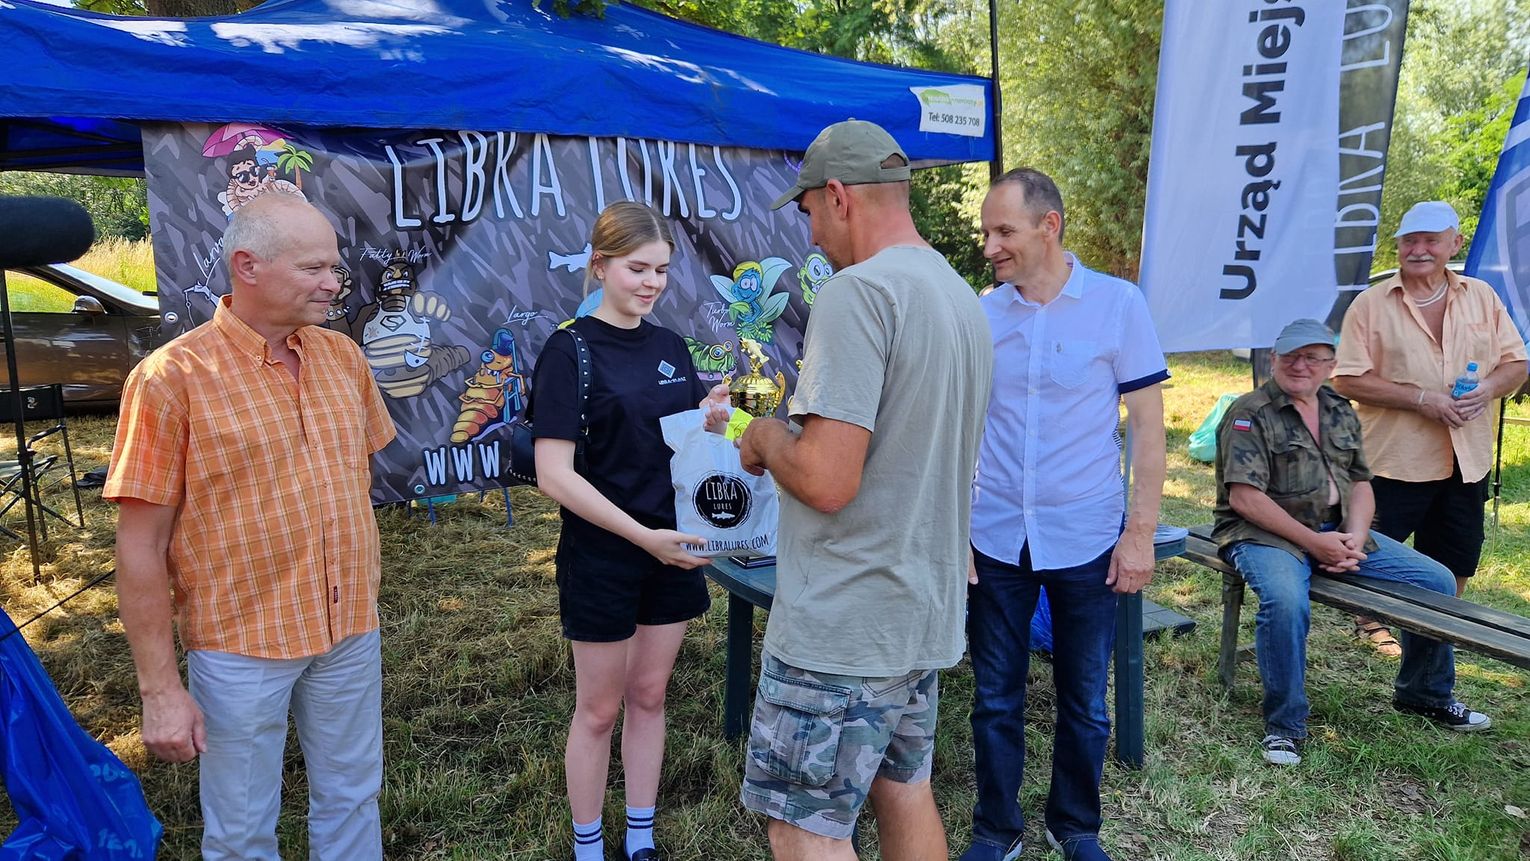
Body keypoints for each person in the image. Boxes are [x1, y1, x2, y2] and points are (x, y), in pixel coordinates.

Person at [106, 193, 396, 860]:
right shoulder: (169, 379)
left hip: (350, 624)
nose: (333, 283)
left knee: (354, 797)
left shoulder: (343, 358)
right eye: (313, 268)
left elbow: (356, 478)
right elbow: (140, 544)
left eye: (334, 268)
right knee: (240, 832)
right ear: (248, 266)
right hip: (241, 644)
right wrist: (160, 690)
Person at [735, 120, 993, 860]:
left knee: (802, 826)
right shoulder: (959, 296)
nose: (812, 235)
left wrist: (765, 436)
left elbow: (826, 479)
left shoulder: (858, 293)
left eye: (809, 212)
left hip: (844, 623)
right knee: (903, 791)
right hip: (920, 609)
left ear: (839, 196)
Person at [964, 168, 1167, 861]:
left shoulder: (1118, 305)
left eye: (1004, 231)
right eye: (986, 232)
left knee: (1085, 700)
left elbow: (1149, 429)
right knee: (995, 697)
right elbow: (962, 427)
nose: (990, 246)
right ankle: (997, 829)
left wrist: (1139, 534)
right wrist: (955, 530)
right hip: (995, 536)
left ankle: (1074, 825)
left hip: (1086, 536)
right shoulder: (984, 314)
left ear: (1049, 226)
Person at [531, 201, 729, 861]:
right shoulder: (569, 350)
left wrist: (709, 419)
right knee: (598, 709)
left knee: (649, 695)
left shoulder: (670, 346)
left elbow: (680, 446)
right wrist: (641, 537)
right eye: (637, 268)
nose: (651, 283)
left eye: (662, 270)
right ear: (600, 265)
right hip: (603, 557)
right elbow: (554, 474)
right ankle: (588, 846)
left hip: (672, 550)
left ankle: (640, 837)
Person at [1215, 318, 1492, 767]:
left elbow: (1361, 482)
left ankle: (1424, 693)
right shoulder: (1249, 412)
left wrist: (1356, 539)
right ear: (1273, 359)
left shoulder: (1338, 409)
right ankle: (1285, 725)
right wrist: (1316, 544)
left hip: (1334, 529)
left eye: (1312, 357)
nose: (1300, 365)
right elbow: (1245, 499)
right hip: (1263, 534)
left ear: (1331, 365)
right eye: (1291, 356)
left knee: (1437, 580)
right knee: (1285, 601)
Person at [1332, 201, 1528, 652]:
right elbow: (1347, 379)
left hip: (1467, 459)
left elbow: (1516, 364)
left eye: (1431, 240)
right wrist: (1421, 399)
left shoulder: (1482, 296)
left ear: (1455, 243)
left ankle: (1437, 631)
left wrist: (1488, 388)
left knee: (1456, 554)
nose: (1419, 250)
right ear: (1399, 246)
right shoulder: (1371, 304)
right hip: (1394, 459)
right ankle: (1369, 617)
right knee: (1370, 550)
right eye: (1410, 241)